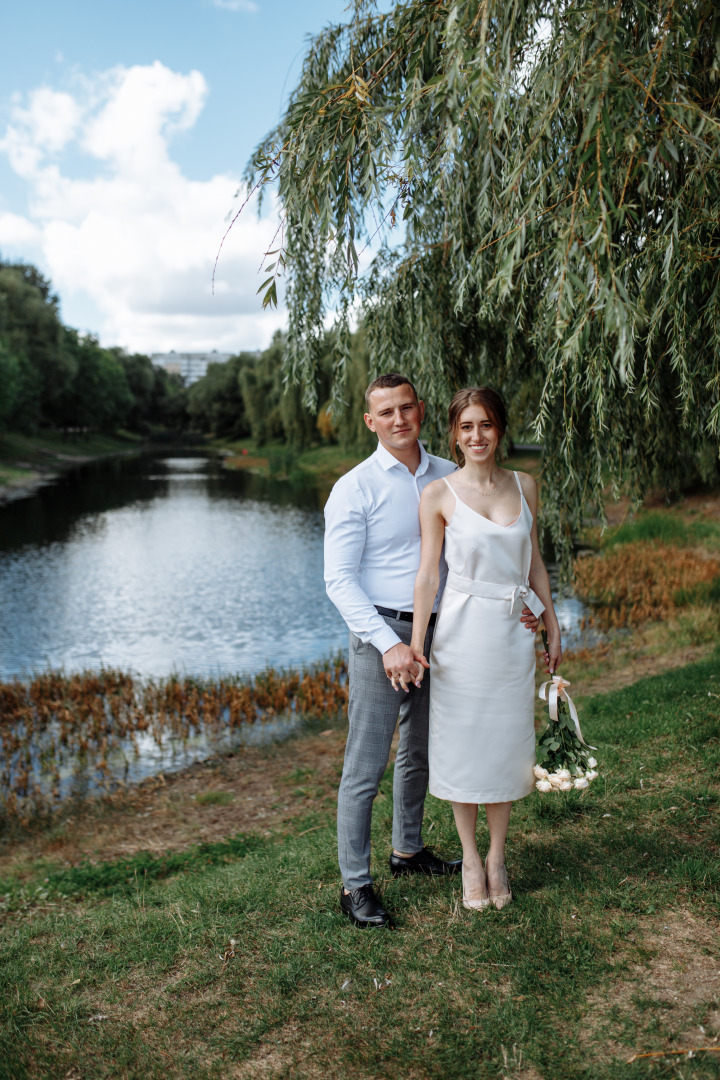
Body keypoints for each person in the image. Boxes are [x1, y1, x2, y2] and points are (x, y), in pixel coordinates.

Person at [324, 374, 540, 928]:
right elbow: (338, 581)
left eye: (406, 408)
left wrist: (531, 608)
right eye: (385, 413)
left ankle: (409, 850)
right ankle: (355, 886)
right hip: (385, 635)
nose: (398, 420)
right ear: (369, 422)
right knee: (365, 766)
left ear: (421, 411)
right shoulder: (355, 487)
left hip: (449, 636)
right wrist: (390, 645)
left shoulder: (449, 474)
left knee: (421, 751)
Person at [410, 386, 562, 911]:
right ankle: (469, 859)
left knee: (505, 743)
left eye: (487, 425)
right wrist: (416, 644)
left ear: (500, 430)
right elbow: (428, 575)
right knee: (463, 744)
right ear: (454, 434)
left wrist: (552, 621)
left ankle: (498, 856)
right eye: (467, 426)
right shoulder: (438, 494)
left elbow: (534, 563)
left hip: (513, 633)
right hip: (461, 632)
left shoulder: (525, 486)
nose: (477, 436)